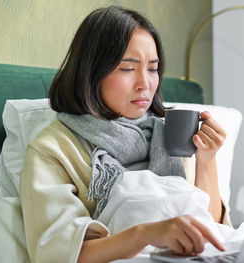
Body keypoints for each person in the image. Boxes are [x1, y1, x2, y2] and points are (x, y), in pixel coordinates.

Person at [19, 6, 230, 263]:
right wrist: (146, 234)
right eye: (127, 69)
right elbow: (57, 254)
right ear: (91, 72)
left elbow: (212, 226)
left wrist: (207, 160)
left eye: (152, 69)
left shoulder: (167, 134)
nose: (145, 84)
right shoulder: (54, 149)